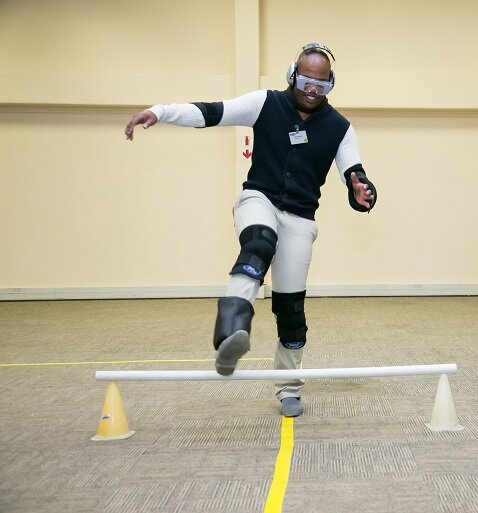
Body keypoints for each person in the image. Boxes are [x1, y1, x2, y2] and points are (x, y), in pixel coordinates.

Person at [124, 43, 377, 417]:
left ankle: (289, 387)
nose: (312, 89)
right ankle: (230, 331)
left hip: (300, 218)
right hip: (258, 198)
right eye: (307, 79)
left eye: (321, 84)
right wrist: (161, 112)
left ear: (330, 85)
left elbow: (354, 173)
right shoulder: (266, 103)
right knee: (259, 242)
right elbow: (212, 112)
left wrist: (362, 191)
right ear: (293, 74)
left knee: (290, 310)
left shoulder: (340, 127)